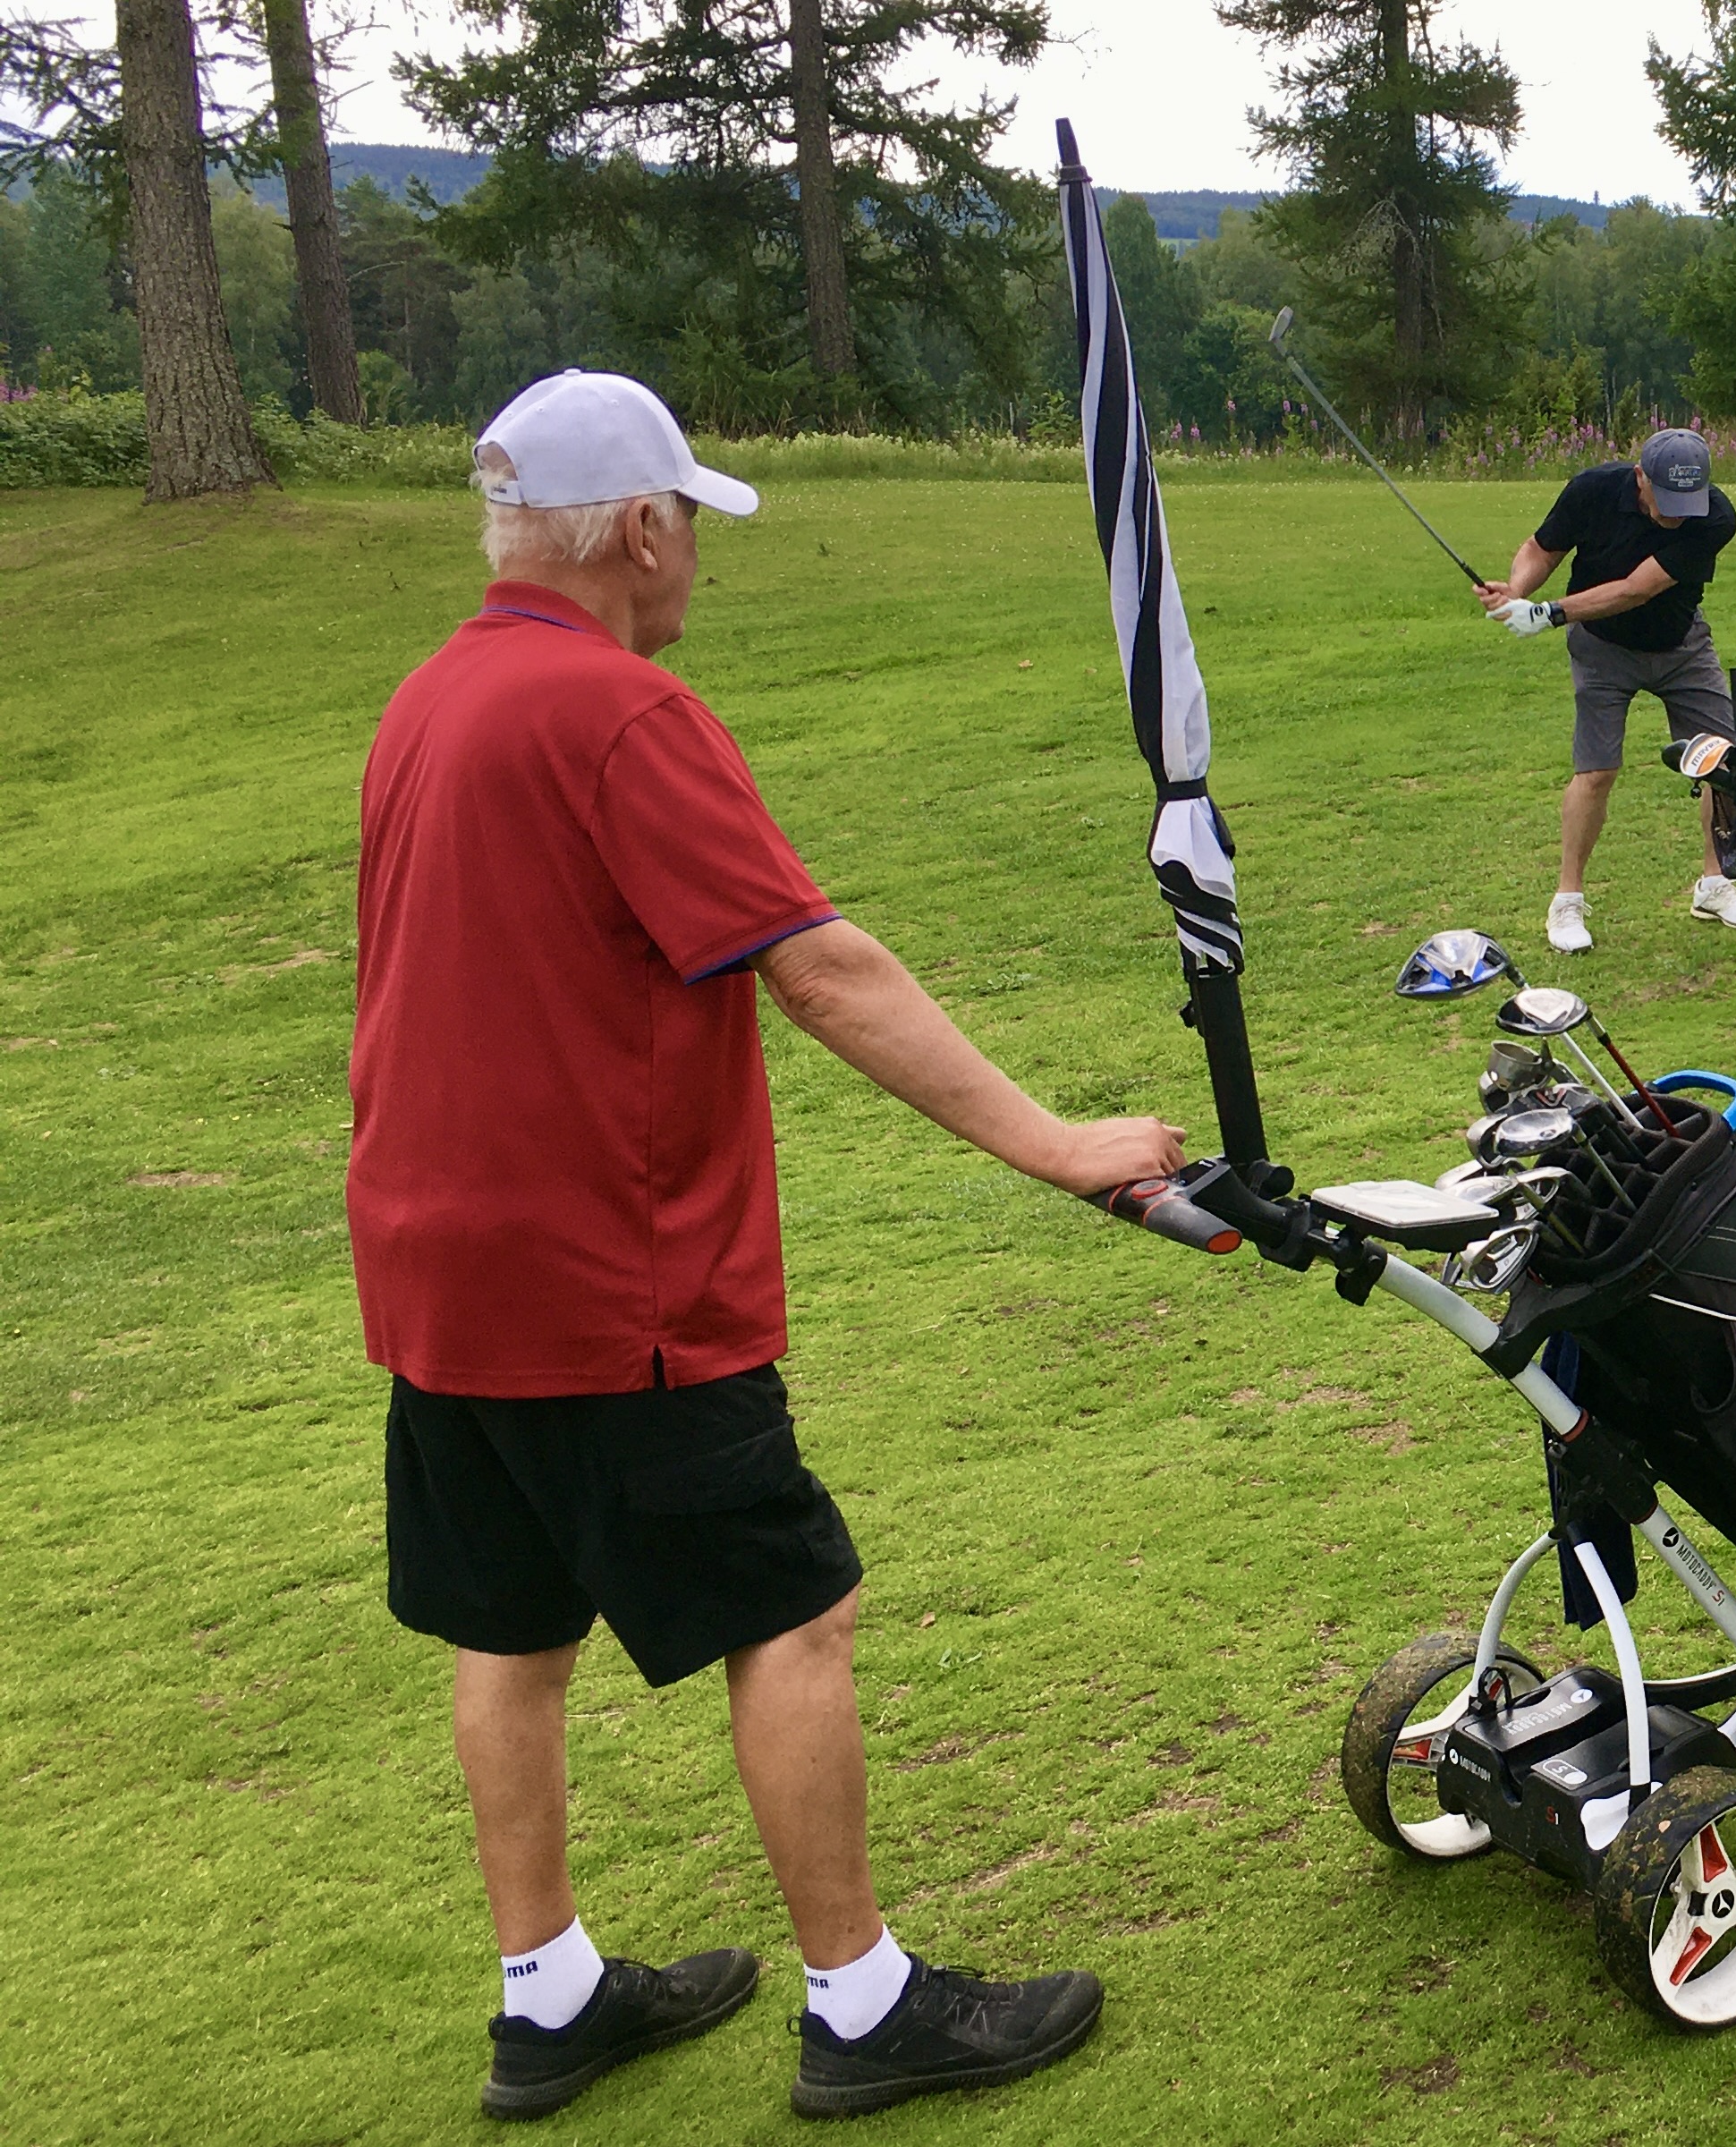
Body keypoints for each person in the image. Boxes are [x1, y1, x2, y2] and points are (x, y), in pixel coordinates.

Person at [348, 369, 1188, 2123]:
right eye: (688, 530)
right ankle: (866, 2008)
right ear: (640, 529)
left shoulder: (430, 698)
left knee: (509, 1635)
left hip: (436, 1267)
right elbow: (816, 966)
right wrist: (1057, 1146)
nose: (692, 567)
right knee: (796, 1616)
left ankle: (548, 1995)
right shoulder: (620, 712)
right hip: (612, 1278)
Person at [1475, 428, 1736, 954]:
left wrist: (1547, 613)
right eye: (1668, 501)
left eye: (1688, 502)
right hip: (1602, 648)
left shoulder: (1716, 518)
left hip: (1681, 646)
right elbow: (1542, 548)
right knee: (1597, 770)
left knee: (1724, 764)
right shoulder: (1593, 489)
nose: (1678, 515)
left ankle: (1715, 884)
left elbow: (1637, 589)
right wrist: (1516, 593)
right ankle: (1566, 900)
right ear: (1640, 478)